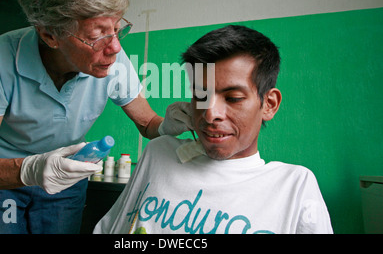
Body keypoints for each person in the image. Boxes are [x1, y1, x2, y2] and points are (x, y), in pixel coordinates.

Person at [0, 0, 191, 234]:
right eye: (97, 36)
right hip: (3, 181)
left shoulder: (114, 63)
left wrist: (168, 125)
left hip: (65, 183)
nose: (115, 48)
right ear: (50, 34)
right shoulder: (0, 56)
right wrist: (31, 169)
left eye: (118, 29)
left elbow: (147, 123)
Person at [94, 25, 333, 234]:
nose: (210, 113)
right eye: (201, 95)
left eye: (233, 98)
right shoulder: (160, 152)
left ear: (269, 104)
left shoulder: (294, 188)